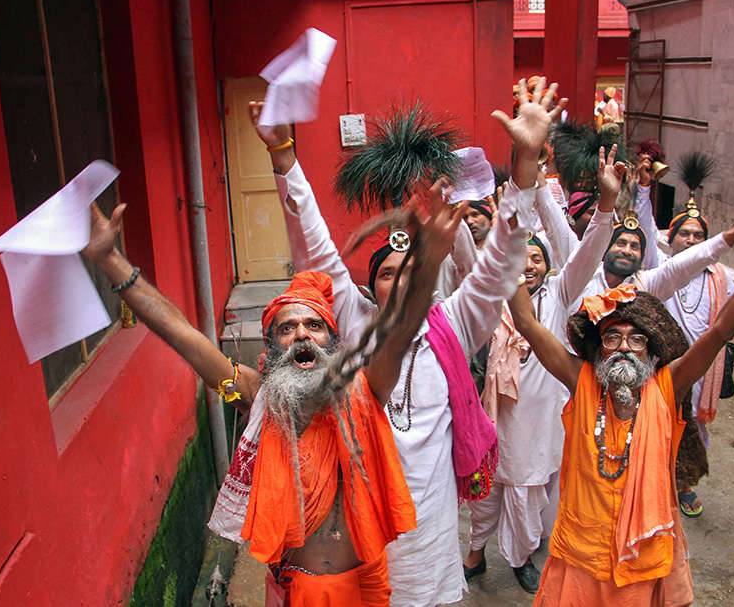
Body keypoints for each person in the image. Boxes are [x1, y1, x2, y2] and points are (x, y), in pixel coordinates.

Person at [247, 77, 566, 606]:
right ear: (372, 285)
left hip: (432, 530)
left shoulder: (456, 321)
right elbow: (316, 251)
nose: (398, 279)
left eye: (408, 269)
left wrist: (527, 164)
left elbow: (502, 260)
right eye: (387, 272)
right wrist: (284, 157)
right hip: (362, 530)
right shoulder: (353, 327)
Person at [82, 181, 464, 605]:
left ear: (332, 343)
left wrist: (429, 263)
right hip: (303, 589)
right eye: (287, 328)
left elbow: (400, 331)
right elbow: (183, 334)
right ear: (273, 348)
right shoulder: (258, 396)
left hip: (370, 577)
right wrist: (113, 262)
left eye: (314, 325)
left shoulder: (365, 387)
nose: (302, 332)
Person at [508, 212, 734, 605]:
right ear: (597, 349)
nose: (624, 346)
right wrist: (512, 238)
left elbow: (722, 328)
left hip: (641, 564)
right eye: (613, 337)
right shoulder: (583, 381)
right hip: (580, 558)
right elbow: (526, 322)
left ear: (652, 353)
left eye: (637, 339)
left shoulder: (667, 386)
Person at [464, 144, 623, 593]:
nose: (530, 265)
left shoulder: (559, 297)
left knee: (527, 495)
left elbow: (588, 254)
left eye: (538, 259)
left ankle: (519, 559)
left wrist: (606, 205)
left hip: (540, 428)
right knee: (484, 496)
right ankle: (475, 555)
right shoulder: (489, 300)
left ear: (548, 268)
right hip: (491, 422)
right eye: (523, 259)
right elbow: (469, 259)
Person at [635, 189, 734, 517]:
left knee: (692, 427)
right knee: (653, 424)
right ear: (670, 239)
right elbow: (644, 223)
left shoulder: (719, 277)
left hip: (699, 370)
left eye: (698, 235)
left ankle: (684, 484)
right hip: (661, 366)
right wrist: (644, 189)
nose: (690, 239)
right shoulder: (661, 268)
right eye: (684, 233)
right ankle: (649, 482)